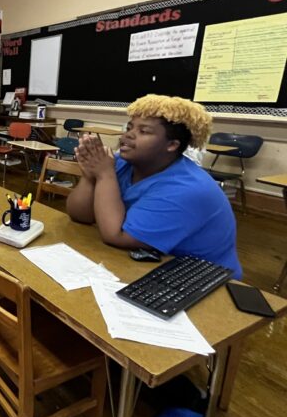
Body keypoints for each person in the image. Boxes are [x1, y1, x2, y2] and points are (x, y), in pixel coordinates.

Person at [66, 94, 242, 279]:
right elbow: (79, 215)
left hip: (202, 281)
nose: (128, 135)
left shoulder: (187, 189)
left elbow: (116, 236)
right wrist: (89, 176)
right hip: (148, 264)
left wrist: (103, 175)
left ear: (172, 145)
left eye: (144, 131)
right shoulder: (121, 163)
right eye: (129, 127)